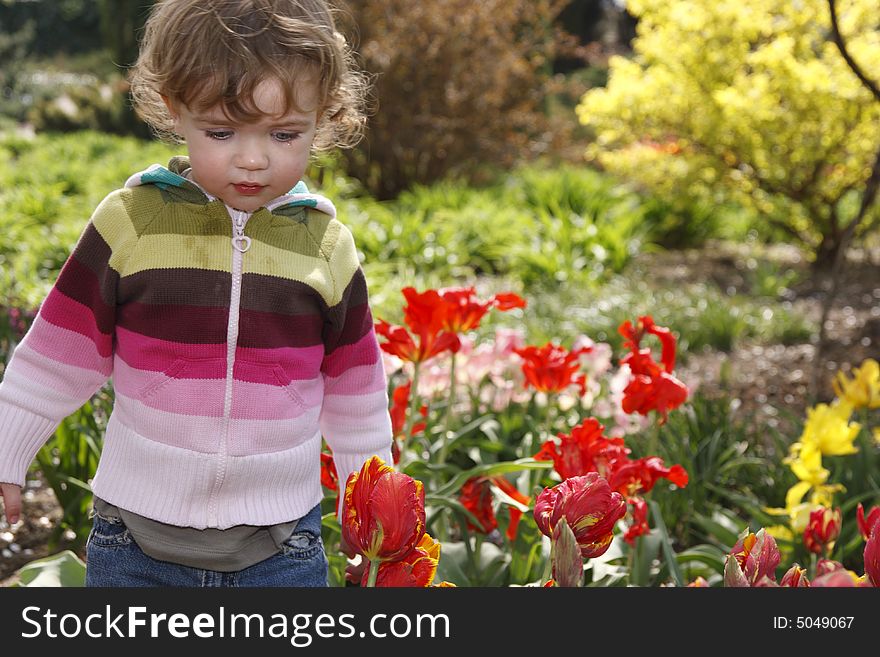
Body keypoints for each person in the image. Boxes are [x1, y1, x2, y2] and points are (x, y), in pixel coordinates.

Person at [0, 0, 392, 587]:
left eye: (285, 134)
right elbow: (57, 356)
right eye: (221, 131)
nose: (254, 158)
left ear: (324, 117)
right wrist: (7, 450)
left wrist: (373, 507)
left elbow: (356, 392)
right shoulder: (133, 223)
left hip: (282, 551)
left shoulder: (324, 247)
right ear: (174, 109)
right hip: (134, 545)